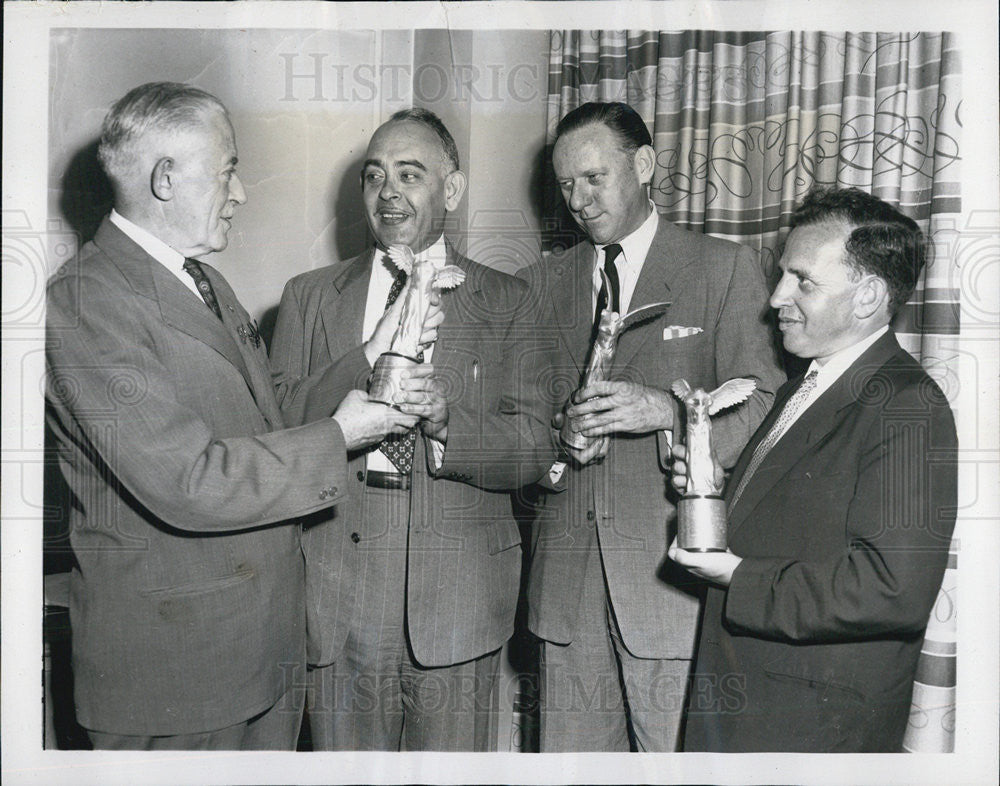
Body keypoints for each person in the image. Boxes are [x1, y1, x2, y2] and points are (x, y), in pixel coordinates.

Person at [44, 82, 419, 750]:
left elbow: (265, 421)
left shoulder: (204, 282)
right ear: (165, 178)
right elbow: (190, 479)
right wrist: (342, 435)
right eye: (228, 172)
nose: (240, 193)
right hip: (176, 675)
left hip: (261, 648)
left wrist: (370, 353)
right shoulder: (83, 303)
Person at [269, 108, 551, 751]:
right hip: (337, 596)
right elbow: (281, 425)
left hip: (457, 598)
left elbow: (535, 446)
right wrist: (368, 353)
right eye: (374, 176)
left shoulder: (510, 300)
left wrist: (451, 421)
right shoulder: (308, 296)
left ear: (450, 190)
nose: (387, 192)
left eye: (409, 174)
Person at [522, 101, 784, 751]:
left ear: (643, 165)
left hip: (672, 587)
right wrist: (558, 439)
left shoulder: (723, 268)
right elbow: (517, 419)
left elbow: (765, 407)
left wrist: (670, 412)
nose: (577, 200)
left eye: (592, 178)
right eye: (564, 184)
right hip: (564, 591)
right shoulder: (538, 283)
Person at [668, 187, 958, 752]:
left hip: (809, 726)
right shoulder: (803, 386)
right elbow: (799, 512)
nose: (775, 297)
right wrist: (715, 495)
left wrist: (735, 576)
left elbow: (891, 590)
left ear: (869, 296)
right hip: (747, 700)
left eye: (803, 280)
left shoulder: (908, 406)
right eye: (781, 275)